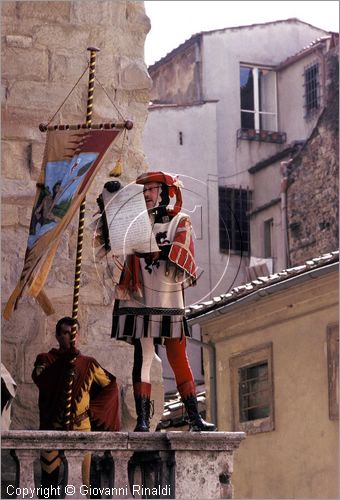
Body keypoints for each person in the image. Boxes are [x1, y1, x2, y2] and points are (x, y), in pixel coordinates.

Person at [103, 171, 216, 432]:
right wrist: (110, 198)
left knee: (178, 356)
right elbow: (111, 235)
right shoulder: (135, 221)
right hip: (140, 298)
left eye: (151, 189)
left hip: (168, 297)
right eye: (144, 190)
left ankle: (193, 417)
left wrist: (155, 249)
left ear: (165, 191)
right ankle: (143, 419)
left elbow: (183, 250)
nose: (146, 194)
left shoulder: (181, 220)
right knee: (142, 356)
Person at [32, 317, 120, 495]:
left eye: (74, 333)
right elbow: (40, 380)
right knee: (49, 485)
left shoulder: (89, 363)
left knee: (83, 483)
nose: (70, 337)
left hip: (81, 427)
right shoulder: (45, 359)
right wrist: (64, 364)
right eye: (65, 333)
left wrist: (94, 410)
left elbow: (110, 385)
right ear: (57, 336)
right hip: (52, 428)